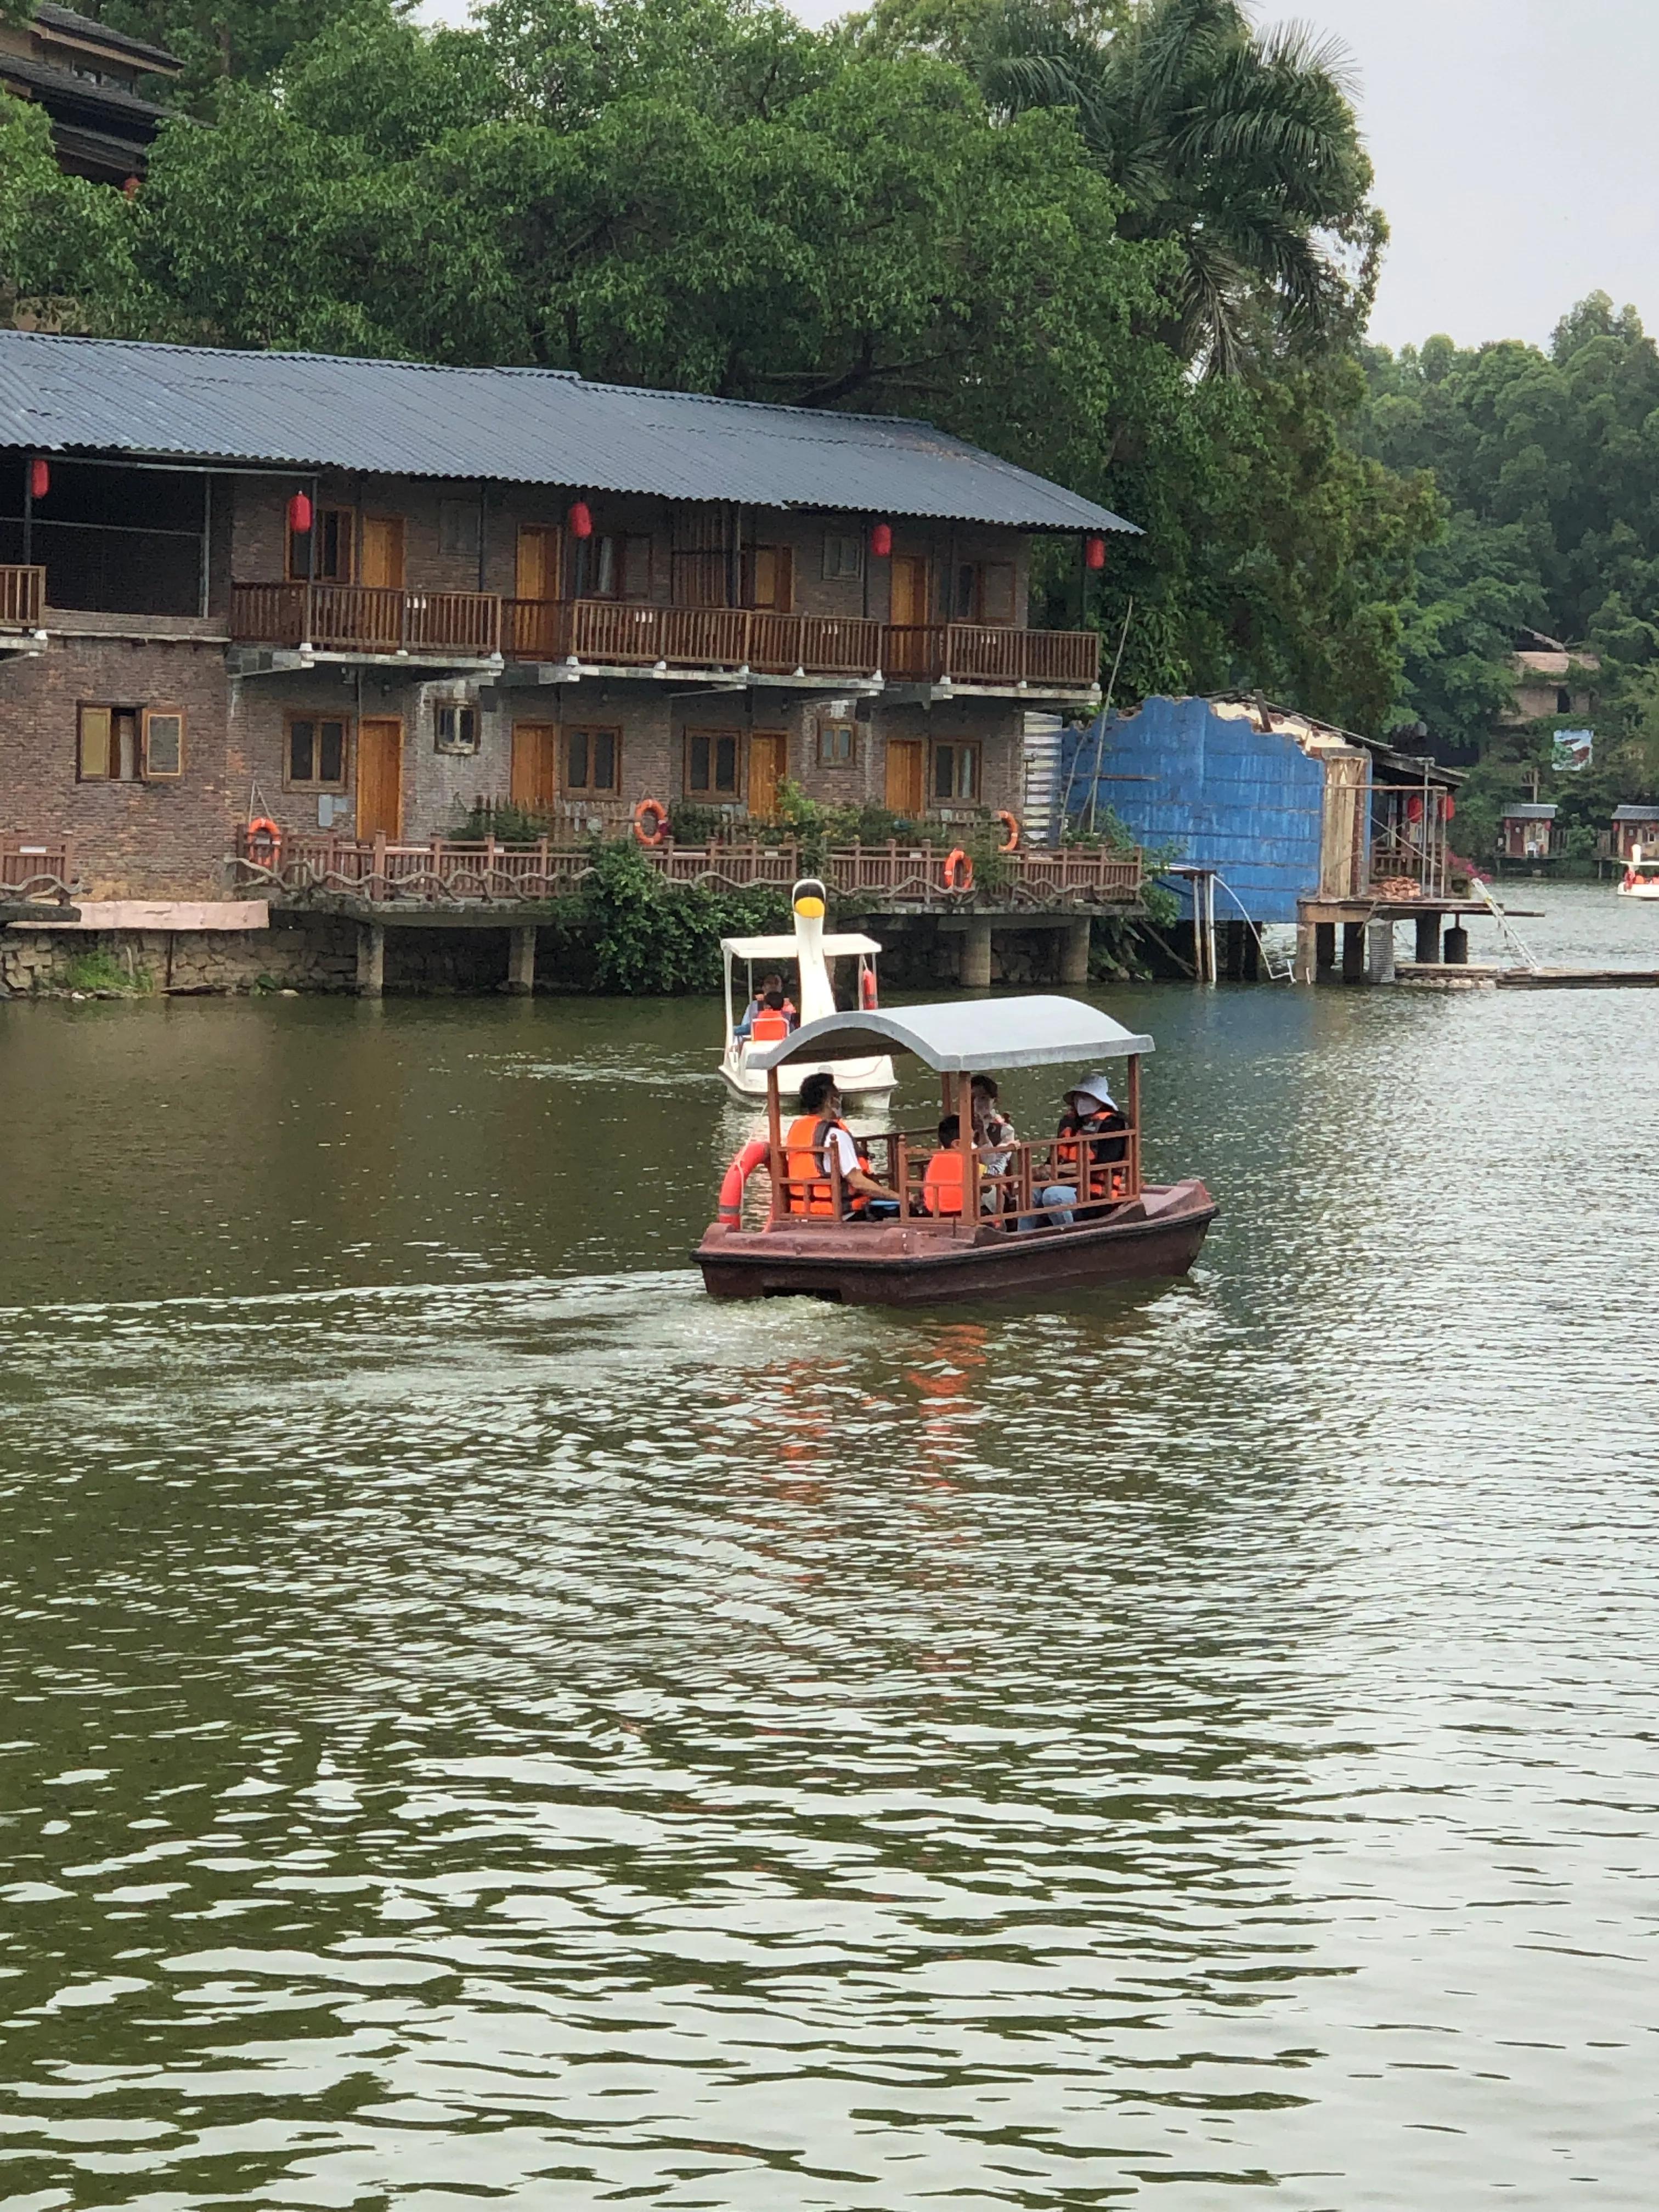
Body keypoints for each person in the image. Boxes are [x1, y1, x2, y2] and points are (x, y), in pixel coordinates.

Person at [783, 1070, 900, 1218]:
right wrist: (899, 1197)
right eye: (838, 1097)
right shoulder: (836, 1136)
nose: (840, 1101)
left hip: (804, 1210)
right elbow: (859, 1183)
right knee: (906, 1211)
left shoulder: (797, 1130)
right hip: (843, 1214)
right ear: (829, 1101)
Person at [1023, 1073, 1130, 1229]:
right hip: (1065, 1183)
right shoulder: (1070, 1123)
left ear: (1099, 1101)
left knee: (1053, 1196)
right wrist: (1041, 1171)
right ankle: (1022, 1238)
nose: (1080, 1100)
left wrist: (1057, 1171)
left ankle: (1070, 1234)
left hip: (1095, 1192)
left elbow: (1104, 1163)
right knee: (1029, 1192)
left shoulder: (1112, 1125)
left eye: (1086, 1096)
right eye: (1078, 1096)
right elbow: (1053, 1161)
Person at [970, 1074, 1016, 1212]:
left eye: (983, 1098)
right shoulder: (957, 1126)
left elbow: (995, 1167)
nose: (977, 1103)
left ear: (994, 1101)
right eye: (972, 1098)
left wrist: (983, 1134)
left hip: (992, 1184)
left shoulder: (1005, 1130)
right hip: (962, 1181)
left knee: (988, 1194)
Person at [922, 1115, 967, 1216]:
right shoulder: (965, 1160)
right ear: (957, 1144)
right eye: (971, 1141)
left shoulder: (935, 1158)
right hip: (960, 1211)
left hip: (933, 1211)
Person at [735, 972, 795, 1040]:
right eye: (769, 983)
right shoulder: (753, 1006)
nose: (773, 985)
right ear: (763, 987)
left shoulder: (788, 1008)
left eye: (776, 983)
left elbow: (792, 1030)